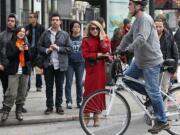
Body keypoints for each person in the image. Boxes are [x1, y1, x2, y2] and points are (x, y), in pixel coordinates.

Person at [116, 0, 170, 134]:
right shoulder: (137, 20)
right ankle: (151, 97)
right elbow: (128, 37)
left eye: (130, 4)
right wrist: (118, 49)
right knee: (126, 79)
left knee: (153, 91)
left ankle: (162, 121)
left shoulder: (145, 19)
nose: (128, 6)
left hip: (151, 62)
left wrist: (129, 49)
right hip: (140, 61)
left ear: (138, 6)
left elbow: (141, 38)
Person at [38, 12, 72, 115]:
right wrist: (47, 50)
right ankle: (49, 106)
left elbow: (70, 49)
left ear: (60, 22)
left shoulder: (65, 34)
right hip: (48, 64)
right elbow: (39, 47)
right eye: (53, 20)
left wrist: (58, 48)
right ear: (50, 21)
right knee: (49, 87)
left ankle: (58, 106)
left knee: (59, 86)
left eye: (57, 20)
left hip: (61, 65)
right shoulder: (45, 33)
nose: (55, 22)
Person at [82, 20, 111, 127]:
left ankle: (97, 116)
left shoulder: (104, 38)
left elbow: (107, 50)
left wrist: (101, 39)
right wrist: (98, 55)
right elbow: (85, 54)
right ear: (89, 30)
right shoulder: (85, 40)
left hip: (100, 70)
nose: (95, 30)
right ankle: (86, 115)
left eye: (97, 28)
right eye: (92, 28)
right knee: (88, 92)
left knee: (99, 92)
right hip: (90, 69)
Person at [1, 26, 31, 122]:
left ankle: (18, 112)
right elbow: (9, 56)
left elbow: (29, 58)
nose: (22, 33)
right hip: (13, 71)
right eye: (20, 31)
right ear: (16, 32)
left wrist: (26, 51)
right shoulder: (11, 43)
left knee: (22, 92)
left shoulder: (26, 43)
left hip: (24, 72)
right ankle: (6, 111)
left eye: (23, 31)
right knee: (11, 93)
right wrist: (18, 50)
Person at [155, 18, 178, 92]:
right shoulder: (150, 36)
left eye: (160, 26)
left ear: (163, 27)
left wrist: (175, 71)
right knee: (153, 89)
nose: (158, 28)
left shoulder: (169, 37)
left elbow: (175, 54)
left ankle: (162, 103)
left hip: (165, 67)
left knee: (163, 88)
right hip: (153, 66)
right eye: (156, 26)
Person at [0, 13, 18, 113]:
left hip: (14, 66)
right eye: (9, 21)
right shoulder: (1, 35)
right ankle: (5, 106)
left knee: (15, 88)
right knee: (5, 87)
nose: (10, 23)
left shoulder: (18, 34)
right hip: (3, 66)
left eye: (12, 21)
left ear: (15, 23)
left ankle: (19, 105)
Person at [65, 20, 84, 109]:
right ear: (71, 28)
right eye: (75, 27)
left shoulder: (83, 39)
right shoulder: (67, 38)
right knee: (68, 82)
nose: (77, 28)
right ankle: (69, 101)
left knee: (79, 83)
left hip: (80, 63)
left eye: (78, 27)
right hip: (69, 63)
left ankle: (79, 101)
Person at [26, 12, 45, 92]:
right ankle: (27, 86)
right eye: (29, 17)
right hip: (29, 51)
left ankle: (39, 86)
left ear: (36, 18)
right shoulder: (26, 28)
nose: (29, 18)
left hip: (38, 51)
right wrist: (25, 35)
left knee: (38, 69)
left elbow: (44, 39)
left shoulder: (41, 28)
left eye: (31, 17)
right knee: (28, 69)